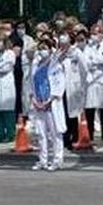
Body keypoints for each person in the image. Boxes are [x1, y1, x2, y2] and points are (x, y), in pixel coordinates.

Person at [29, 36, 67, 171]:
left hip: (51, 104)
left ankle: (57, 160)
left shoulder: (56, 65)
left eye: (44, 48)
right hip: (38, 103)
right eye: (39, 49)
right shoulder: (35, 65)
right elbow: (31, 84)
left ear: (50, 50)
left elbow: (59, 84)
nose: (41, 51)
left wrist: (49, 100)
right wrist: (34, 100)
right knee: (41, 134)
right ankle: (43, 160)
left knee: (55, 133)